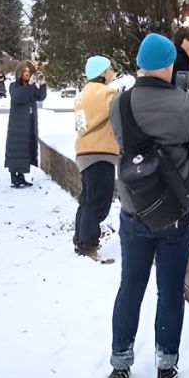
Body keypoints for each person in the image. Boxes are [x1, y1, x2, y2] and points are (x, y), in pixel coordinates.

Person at [105, 33, 189, 378]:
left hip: (133, 209)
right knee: (169, 292)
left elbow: (125, 146)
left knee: (130, 287)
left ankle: (121, 362)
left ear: (140, 64)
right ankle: (165, 367)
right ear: (169, 65)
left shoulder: (118, 105)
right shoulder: (185, 105)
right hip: (175, 214)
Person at [73, 55, 119, 259]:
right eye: (110, 69)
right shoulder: (106, 93)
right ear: (102, 72)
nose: (113, 73)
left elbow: (81, 126)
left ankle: (80, 238)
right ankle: (88, 244)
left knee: (87, 199)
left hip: (85, 152)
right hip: (101, 153)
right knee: (99, 202)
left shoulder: (83, 94)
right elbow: (121, 108)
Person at [4, 60, 47, 188]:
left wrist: (42, 84)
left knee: (26, 149)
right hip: (17, 124)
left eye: (29, 71)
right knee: (16, 148)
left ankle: (21, 176)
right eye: (25, 71)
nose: (27, 74)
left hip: (29, 123)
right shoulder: (14, 86)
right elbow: (18, 97)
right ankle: (14, 176)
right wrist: (31, 85)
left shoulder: (31, 86)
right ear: (20, 72)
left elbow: (41, 96)